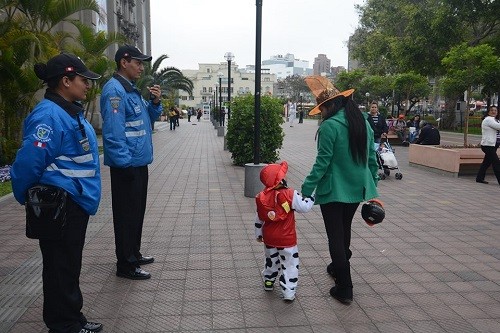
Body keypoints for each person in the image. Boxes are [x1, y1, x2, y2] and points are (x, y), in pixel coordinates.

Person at [10, 53, 103, 333]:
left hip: (75, 202)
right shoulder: (48, 115)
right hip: (61, 203)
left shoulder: (67, 111)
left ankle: (72, 318)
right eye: (83, 80)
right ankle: (64, 325)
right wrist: (24, 195)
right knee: (60, 267)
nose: (88, 86)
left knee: (68, 265)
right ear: (65, 81)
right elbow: (29, 162)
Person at [301, 75, 379, 305]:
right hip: (357, 187)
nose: (321, 112)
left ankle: (345, 287)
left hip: (334, 189)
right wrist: (373, 181)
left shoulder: (330, 127)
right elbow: (372, 156)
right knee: (344, 230)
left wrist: (306, 188)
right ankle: (338, 265)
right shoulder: (362, 122)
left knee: (335, 237)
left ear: (331, 105)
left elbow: (322, 162)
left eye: (322, 107)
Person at [100, 45, 162, 280]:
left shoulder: (131, 91)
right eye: (138, 62)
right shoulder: (115, 91)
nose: (141, 67)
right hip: (127, 165)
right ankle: (125, 264)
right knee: (126, 215)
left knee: (136, 213)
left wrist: (155, 103)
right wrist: (124, 165)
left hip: (137, 163)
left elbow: (147, 119)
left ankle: (133, 254)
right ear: (124, 62)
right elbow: (114, 135)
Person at [254, 161, 314, 302]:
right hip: (287, 239)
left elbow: (258, 218)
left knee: (271, 259)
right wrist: (313, 196)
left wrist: (258, 234)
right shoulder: (290, 194)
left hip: (269, 238)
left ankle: (268, 281)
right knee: (290, 264)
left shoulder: (261, 197)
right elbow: (304, 207)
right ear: (280, 179)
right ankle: (288, 292)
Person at [476, 106, 500, 184]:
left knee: (486, 162)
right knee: (496, 163)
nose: (494, 112)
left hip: (492, 145)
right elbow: (498, 127)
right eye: (492, 110)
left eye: (495, 110)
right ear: (488, 112)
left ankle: (479, 178)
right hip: (488, 145)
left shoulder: (495, 120)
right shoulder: (488, 119)